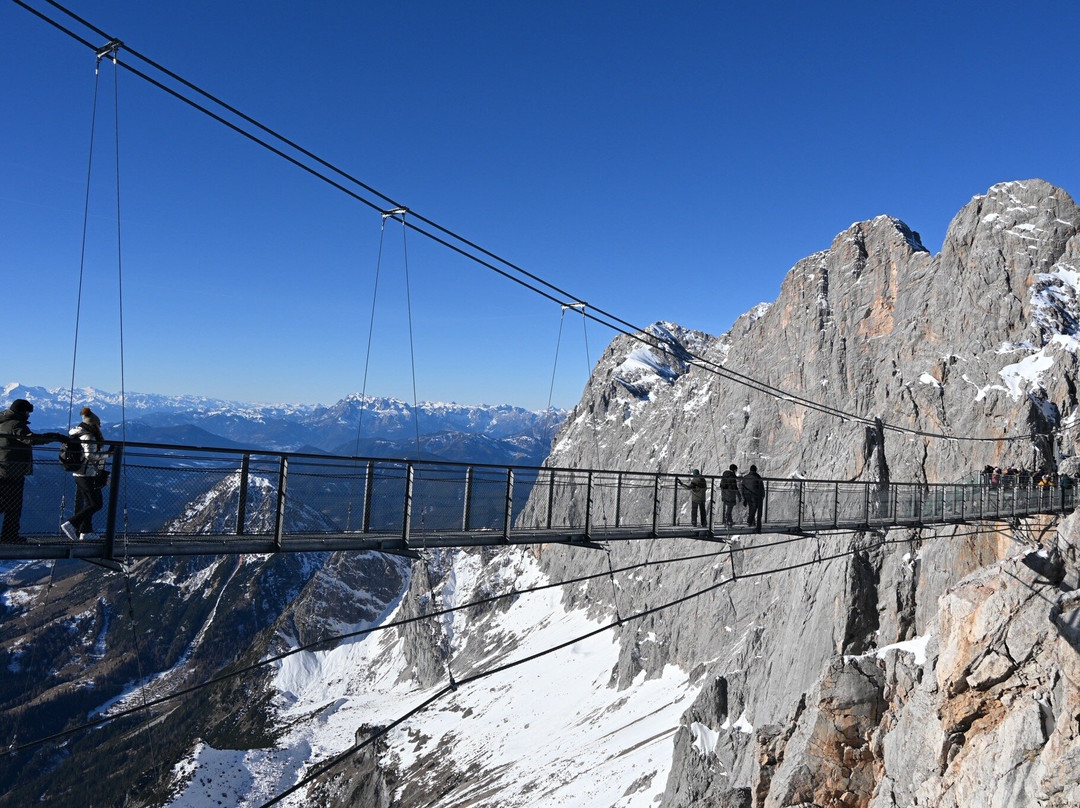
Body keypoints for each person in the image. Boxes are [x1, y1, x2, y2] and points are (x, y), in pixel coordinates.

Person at [0, 399, 70, 544]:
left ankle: (9, 535)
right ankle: (9, 536)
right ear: (22, 411)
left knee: (5, 503)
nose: (29, 415)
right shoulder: (16, 425)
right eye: (28, 412)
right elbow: (31, 440)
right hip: (13, 471)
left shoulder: (3, 422)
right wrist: (54, 436)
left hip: (4, 468)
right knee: (13, 505)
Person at [60, 406, 111, 541]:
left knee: (90, 504)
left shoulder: (78, 433)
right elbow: (90, 455)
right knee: (96, 504)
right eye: (98, 424)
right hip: (88, 474)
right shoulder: (89, 435)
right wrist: (108, 454)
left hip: (80, 474)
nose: (99, 427)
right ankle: (71, 524)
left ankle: (86, 532)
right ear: (94, 424)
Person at [739, 464, 765, 532]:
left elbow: (742, 487)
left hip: (747, 495)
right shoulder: (757, 477)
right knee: (756, 509)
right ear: (755, 470)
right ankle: (751, 521)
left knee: (751, 508)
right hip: (756, 495)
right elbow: (761, 487)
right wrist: (762, 495)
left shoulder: (745, 477)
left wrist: (744, 497)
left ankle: (752, 523)